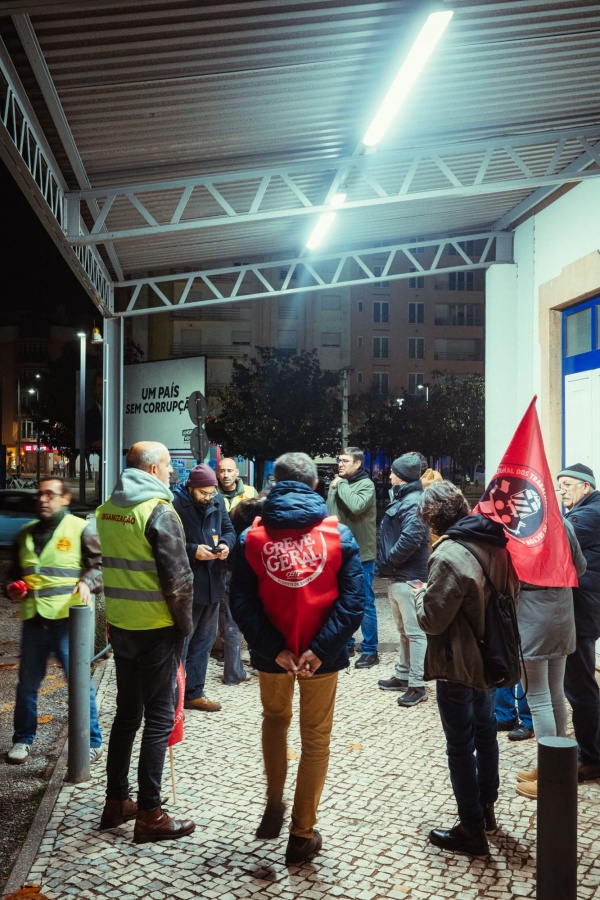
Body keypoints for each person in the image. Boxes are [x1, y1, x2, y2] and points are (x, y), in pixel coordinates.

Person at [230, 452, 364, 865]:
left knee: (274, 720)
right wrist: (319, 650)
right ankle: (301, 834)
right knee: (316, 739)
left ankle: (275, 799)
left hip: (275, 656)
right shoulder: (337, 534)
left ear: (274, 482)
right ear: (315, 485)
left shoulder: (251, 537)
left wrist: (275, 647)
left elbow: (241, 601)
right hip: (321, 658)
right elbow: (353, 602)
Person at [97, 441, 195, 842]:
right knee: (158, 715)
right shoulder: (158, 511)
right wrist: (184, 627)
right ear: (153, 469)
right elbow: (178, 580)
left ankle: (117, 801)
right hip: (156, 628)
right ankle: (151, 814)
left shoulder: (108, 510)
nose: (173, 472)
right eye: (169, 465)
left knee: (126, 714)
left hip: (121, 626)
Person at [415, 480, 519, 855]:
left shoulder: (448, 555)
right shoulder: (497, 543)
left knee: (460, 746)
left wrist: (419, 596)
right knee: (486, 731)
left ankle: (471, 829)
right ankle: (487, 811)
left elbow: (432, 619)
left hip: (458, 664)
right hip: (492, 656)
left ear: (432, 518)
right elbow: (512, 596)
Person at [5, 477, 103, 765]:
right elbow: (12, 575)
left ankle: (93, 742)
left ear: (65, 499)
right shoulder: (25, 534)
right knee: (26, 685)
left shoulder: (80, 529)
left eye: (50, 494)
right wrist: (11, 587)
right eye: (40, 495)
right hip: (34, 620)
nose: (43, 499)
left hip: (67, 622)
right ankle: (22, 740)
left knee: (79, 683)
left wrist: (88, 582)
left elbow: (100, 566)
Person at [515, 519, 586, 799]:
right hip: (562, 611)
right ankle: (560, 766)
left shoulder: (520, 528)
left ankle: (550, 773)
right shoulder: (562, 523)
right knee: (555, 693)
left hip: (532, 616)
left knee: (539, 698)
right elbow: (579, 567)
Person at [172, 464, 237, 708]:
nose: (208, 497)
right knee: (183, 643)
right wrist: (193, 551)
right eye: (203, 493)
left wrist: (226, 546)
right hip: (187, 585)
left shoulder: (217, 502)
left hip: (213, 580)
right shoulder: (174, 504)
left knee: (205, 641)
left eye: (211, 492)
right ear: (191, 487)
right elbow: (166, 543)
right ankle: (174, 697)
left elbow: (229, 530)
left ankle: (193, 693)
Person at [557, 463, 600, 782]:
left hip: (583, 611)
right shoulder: (587, 510)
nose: (562, 490)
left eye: (569, 484)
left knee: (580, 686)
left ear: (587, 487)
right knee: (579, 683)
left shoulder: (590, 514)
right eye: (559, 485)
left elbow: (558, 536)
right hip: (583, 607)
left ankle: (591, 757)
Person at [376, 452, 430, 707]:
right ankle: (403, 675)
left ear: (403, 476)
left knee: (415, 633)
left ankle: (417, 685)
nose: (389, 475)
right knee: (404, 632)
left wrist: (390, 561)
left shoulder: (414, 501)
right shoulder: (407, 498)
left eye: (393, 472)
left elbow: (411, 538)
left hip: (410, 577)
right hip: (401, 576)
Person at [326, 447, 378, 668]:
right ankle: (345, 642)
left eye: (345, 461)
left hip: (361, 553)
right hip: (337, 550)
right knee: (340, 601)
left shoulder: (366, 484)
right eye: (339, 460)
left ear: (357, 464)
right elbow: (330, 513)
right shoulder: (337, 483)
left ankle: (370, 649)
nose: (340, 464)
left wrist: (341, 485)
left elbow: (356, 506)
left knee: (365, 602)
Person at [214, 457, 258, 679]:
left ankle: (253, 656)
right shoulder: (212, 493)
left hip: (248, 560)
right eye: (222, 471)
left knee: (247, 611)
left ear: (237, 472)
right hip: (223, 561)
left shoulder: (249, 492)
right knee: (227, 613)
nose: (226, 475)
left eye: (230, 470)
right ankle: (230, 661)